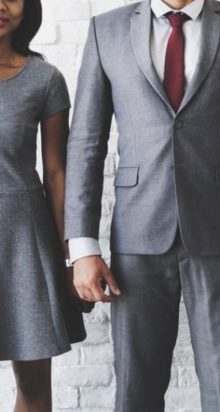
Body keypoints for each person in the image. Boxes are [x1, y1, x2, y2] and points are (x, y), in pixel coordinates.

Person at [63, 0, 220, 410]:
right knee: (135, 391)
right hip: (136, 234)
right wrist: (82, 246)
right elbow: (85, 144)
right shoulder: (106, 30)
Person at [0, 0, 87, 410]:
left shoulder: (44, 78)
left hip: (23, 243)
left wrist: (73, 257)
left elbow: (57, 174)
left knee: (33, 385)